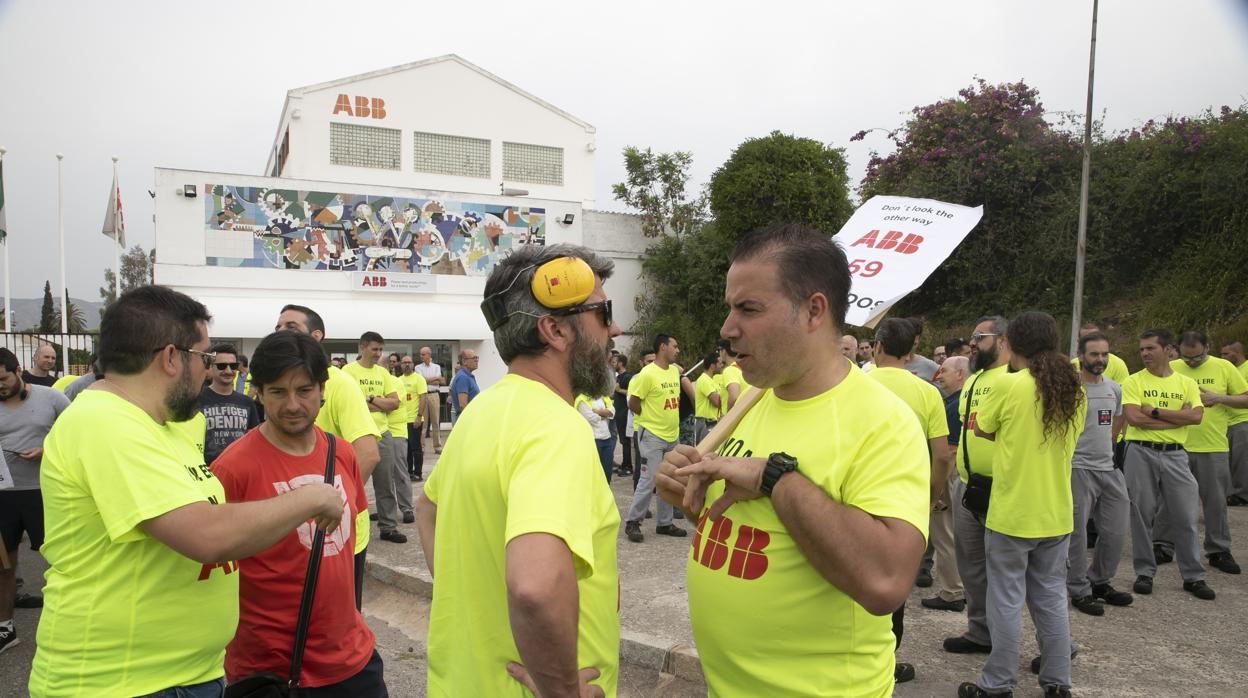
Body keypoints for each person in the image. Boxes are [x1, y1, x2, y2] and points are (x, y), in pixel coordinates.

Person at [30, 286, 345, 698]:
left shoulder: (168, 425)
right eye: (205, 358)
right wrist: (312, 496)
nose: (209, 371)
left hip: (184, 675)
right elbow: (205, 535)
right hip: (121, 682)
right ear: (171, 357)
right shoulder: (103, 422)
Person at [655, 223, 929, 697]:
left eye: (748, 308)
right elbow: (736, 524)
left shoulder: (882, 421)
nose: (727, 329)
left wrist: (775, 478)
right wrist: (684, 489)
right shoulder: (757, 398)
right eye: (730, 308)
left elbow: (886, 583)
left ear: (813, 311)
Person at [415, 244, 621, 697]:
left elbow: (426, 509)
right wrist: (561, 690)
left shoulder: (482, 410)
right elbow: (534, 587)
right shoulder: (557, 426)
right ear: (555, 330)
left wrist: (473, 599)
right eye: (603, 313)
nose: (615, 328)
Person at [212, 331, 387, 695]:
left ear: (322, 390)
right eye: (278, 392)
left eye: (304, 390)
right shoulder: (232, 469)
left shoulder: (342, 453)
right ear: (258, 393)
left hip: (353, 662)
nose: (292, 405)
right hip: (271, 672)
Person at [958, 311, 1084, 698]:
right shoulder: (1073, 388)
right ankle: (1057, 681)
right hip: (1056, 512)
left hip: (1012, 513)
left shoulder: (1009, 386)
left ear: (1011, 342)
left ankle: (998, 683)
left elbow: (983, 427)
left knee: (1006, 600)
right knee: (1051, 597)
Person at [274, 304, 382, 610]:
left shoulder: (339, 384)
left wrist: (336, 508)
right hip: (294, 527)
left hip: (334, 531)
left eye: (291, 327)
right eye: (278, 327)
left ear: (316, 336)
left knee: (338, 620)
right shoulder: (280, 381)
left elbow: (368, 453)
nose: (281, 332)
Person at [865, 317, 953, 686]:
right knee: (893, 582)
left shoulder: (857, 384)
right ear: (912, 350)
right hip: (904, 498)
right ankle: (886, 660)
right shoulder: (927, 393)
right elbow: (942, 456)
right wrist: (933, 493)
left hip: (858, 492)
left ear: (878, 347)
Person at [1120, 329, 1214, 600]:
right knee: (1141, 515)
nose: (1145, 353)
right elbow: (1135, 419)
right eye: (1142, 349)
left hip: (1176, 454)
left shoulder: (1185, 383)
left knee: (1185, 516)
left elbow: (1195, 417)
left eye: (1150, 348)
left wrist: (1156, 412)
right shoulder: (1134, 381)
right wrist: (1176, 419)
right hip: (1140, 452)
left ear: (1168, 349)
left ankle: (1193, 577)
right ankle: (1144, 572)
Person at [944, 315, 1012, 656]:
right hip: (969, 486)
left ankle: (1049, 642)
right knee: (971, 566)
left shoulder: (1017, 377)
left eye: (979, 336)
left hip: (1004, 488)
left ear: (1002, 340)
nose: (972, 343)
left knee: (1012, 571)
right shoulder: (974, 380)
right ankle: (980, 631)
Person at [1154, 330, 1248, 574]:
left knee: (1215, 502)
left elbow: (1245, 399)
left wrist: (1220, 398)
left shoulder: (1224, 367)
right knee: (1168, 499)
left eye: (1197, 358)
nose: (1192, 363)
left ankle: (1218, 550)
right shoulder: (1171, 368)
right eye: (1187, 358)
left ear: (1208, 347)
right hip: (1176, 445)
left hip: (1213, 446)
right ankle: (1163, 545)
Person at [0, 348, 70, 648]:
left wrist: (46, 451)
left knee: (61, 561)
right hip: (4, 495)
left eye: (3, 379)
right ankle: (5, 628)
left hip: (45, 491)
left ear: (18, 371)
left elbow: (76, 434)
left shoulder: (51, 398)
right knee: (4, 565)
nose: (0, 386)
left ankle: (70, 624)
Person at [1066, 331, 1134, 616]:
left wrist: (1111, 443)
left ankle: (1100, 582)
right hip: (1078, 468)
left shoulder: (1114, 388)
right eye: (1094, 354)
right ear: (1081, 356)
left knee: (1116, 530)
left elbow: (1117, 418)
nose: (1100, 359)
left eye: (1105, 354)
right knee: (1077, 534)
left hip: (1109, 468)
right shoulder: (1070, 389)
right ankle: (1078, 589)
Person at [343, 332, 409, 542]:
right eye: (374, 349)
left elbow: (394, 404)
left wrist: (370, 399)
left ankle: (388, 527)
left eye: (380, 349)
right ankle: (347, 525)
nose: (378, 353)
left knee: (385, 483)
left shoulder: (383, 373)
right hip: (356, 435)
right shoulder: (348, 372)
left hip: (383, 434)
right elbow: (351, 404)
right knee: (352, 483)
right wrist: (380, 402)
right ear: (362, 348)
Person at [624, 334, 689, 543]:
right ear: (663, 347)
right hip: (652, 435)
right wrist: (649, 419)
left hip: (672, 436)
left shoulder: (673, 371)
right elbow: (633, 403)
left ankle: (664, 523)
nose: (677, 350)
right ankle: (633, 521)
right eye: (674, 346)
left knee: (668, 480)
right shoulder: (647, 374)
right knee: (649, 479)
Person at [922, 355, 969, 613]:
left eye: (945, 371)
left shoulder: (953, 406)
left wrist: (936, 489)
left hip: (949, 475)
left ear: (960, 373)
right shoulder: (963, 400)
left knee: (944, 535)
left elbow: (948, 452)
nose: (939, 375)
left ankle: (952, 592)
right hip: (958, 475)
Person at [199, 343, 261, 465]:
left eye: (233, 366)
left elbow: (253, 440)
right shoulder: (197, 400)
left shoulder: (247, 402)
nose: (228, 371)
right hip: (206, 470)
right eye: (221, 366)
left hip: (239, 468)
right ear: (211, 367)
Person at [1222, 341, 1248, 506]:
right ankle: (1234, 493)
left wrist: (1221, 397)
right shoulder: (1229, 370)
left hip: (1243, 420)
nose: (1222, 357)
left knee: (1242, 460)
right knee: (1231, 460)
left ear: (1237, 353)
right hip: (1228, 421)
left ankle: (1242, 495)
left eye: (1226, 354)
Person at [399, 355, 428, 480]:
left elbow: (423, 398)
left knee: (416, 448)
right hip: (402, 420)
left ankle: (418, 473)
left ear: (413, 365)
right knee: (407, 449)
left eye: (409, 362)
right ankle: (409, 472)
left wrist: (419, 416)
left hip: (414, 419)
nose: (407, 364)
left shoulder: (419, 379)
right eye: (404, 362)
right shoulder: (398, 380)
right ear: (401, 365)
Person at [577, 393, 616, 483]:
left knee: (607, 473)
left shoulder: (603, 396)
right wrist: (605, 413)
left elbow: (612, 412)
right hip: (593, 439)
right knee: (595, 473)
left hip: (607, 438)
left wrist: (597, 411)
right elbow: (592, 418)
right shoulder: (582, 399)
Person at [416, 347, 445, 454]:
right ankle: (421, 447)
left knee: (435, 422)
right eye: (420, 354)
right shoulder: (418, 367)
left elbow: (440, 380)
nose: (421, 356)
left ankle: (437, 447)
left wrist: (427, 380)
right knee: (423, 422)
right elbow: (421, 381)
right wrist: (434, 379)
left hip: (434, 395)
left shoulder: (436, 367)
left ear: (429, 355)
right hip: (423, 395)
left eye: (423, 354)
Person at [611, 354, 634, 476]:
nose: (612, 364)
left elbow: (632, 393)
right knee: (623, 440)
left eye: (614, 362)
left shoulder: (628, 377)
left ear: (620, 363)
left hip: (625, 413)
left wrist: (619, 390)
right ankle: (625, 463)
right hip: (618, 413)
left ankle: (628, 466)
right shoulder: (618, 377)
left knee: (625, 441)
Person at [693, 352, 723, 444]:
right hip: (705, 422)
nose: (721, 365)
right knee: (704, 449)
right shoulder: (704, 380)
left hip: (712, 421)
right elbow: (717, 402)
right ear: (712, 366)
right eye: (719, 363)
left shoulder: (712, 380)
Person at [448, 349, 480, 423]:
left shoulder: (467, 376)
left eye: (477, 358)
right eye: (474, 358)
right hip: (467, 421)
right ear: (464, 361)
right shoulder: (463, 377)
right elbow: (463, 405)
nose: (476, 360)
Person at [903, 317, 939, 382]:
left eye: (914, 344)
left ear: (919, 341)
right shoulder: (886, 363)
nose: (909, 347)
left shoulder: (930, 366)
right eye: (906, 342)